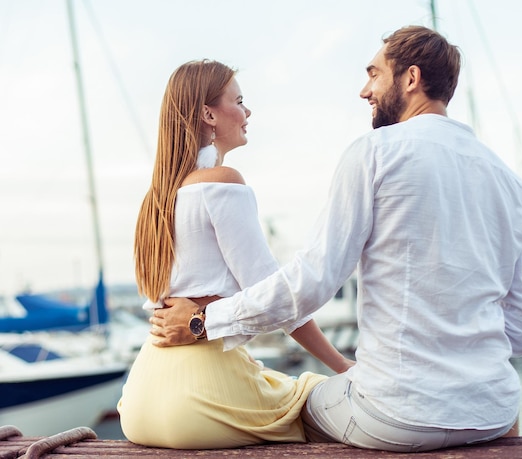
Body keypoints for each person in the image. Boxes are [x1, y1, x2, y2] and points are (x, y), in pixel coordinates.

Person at [152, 26, 522, 453]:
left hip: (396, 416)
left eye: (374, 74)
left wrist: (202, 322)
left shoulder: (374, 153)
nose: (364, 90)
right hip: (493, 412)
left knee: (293, 408)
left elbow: (312, 282)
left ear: (411, 79)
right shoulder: (512, 185)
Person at [117, 59, 353, 450]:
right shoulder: (223, 183)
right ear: (209, 113)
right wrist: (343, 365)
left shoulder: (156, 200)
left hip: (140, 401)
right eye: (239, 100)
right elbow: (276, 297)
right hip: (200, 400)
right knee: (325, 400)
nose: (247, 112)